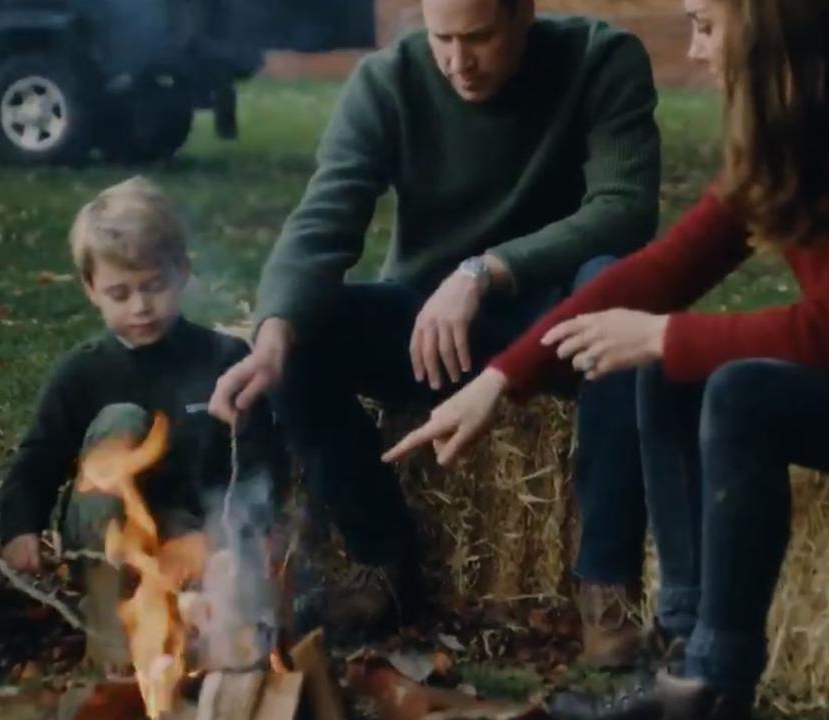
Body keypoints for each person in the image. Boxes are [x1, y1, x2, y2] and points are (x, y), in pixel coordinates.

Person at [384, 0, 829, 716]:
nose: (695, 51)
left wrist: (662, 335)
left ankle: (713, 686)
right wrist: (501, 379)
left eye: (704, 23)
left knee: (738, 391)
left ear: (768, 23)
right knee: (678, 367)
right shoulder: (794, 130)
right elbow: (663, 268)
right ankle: (682, 647)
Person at [209, 0, 662, 651]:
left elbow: (624, 211)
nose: (457, 61)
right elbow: (325, 217)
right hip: (428, 330)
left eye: (477, 38)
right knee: (303, 333)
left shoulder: (600, 59)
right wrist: (273, 333)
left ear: (523, 14)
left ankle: (607, 584)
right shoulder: (387, 79)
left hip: (557, 321)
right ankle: (380, 561)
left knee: (618, 289)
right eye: (441, 37)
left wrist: (485, 270)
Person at [0, 177, 284, 665]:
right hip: (107, 535)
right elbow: (38, 459)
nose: (140, 306)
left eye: (154, 286)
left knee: (241, 615)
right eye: (120, 292)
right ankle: (111, 629)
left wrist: (250, 531)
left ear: (183, 274)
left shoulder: (223, 358)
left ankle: (204, 642)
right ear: (91, 289)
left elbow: (261, 456)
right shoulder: (82, 372)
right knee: (121, 420)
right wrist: (19, 527)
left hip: (198, 533)